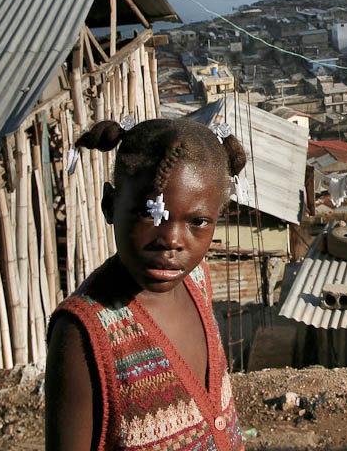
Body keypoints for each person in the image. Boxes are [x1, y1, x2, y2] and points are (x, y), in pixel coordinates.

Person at [45, 118, 248, 451]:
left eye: (197, 222)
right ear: (110, 205)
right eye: (149, 214)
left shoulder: (196, 281)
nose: (170, 240)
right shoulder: (84, 335)